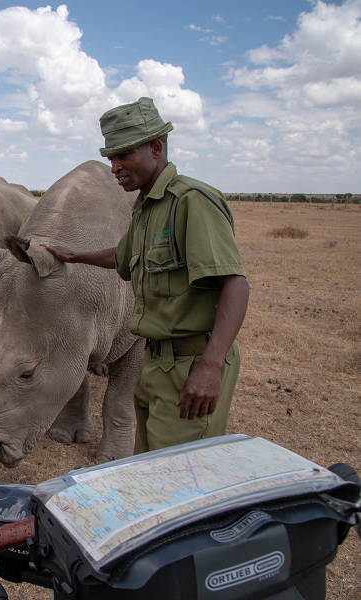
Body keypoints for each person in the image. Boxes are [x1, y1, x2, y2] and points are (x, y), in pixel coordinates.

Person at [42, 97, 249, 454]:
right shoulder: (146, 207)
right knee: (152, 466)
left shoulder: (190, 202)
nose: (115, 167)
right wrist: (75, 255)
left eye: (124, 156)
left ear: (157, 147)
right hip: (154, 361)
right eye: (111, 158)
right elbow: (124, 257)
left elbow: (235, 285)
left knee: (182, 475)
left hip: (191, 364)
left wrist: (210, 367)